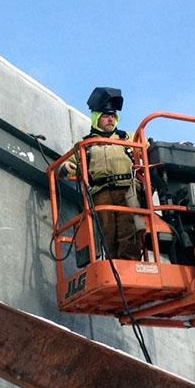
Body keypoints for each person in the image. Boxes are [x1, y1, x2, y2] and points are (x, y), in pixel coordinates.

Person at [64, 87, 143, 261]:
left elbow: (150, 150)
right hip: (101, 193)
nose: (110, 119)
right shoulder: (85, 144)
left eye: (113, 115)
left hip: (128, 191)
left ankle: (130, 266)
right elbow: (70, 165)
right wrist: (66, 168)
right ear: (97, 118)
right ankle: (113, 266)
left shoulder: (128, 138)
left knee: (131, 230)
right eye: (106, 115)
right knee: (108, 233)